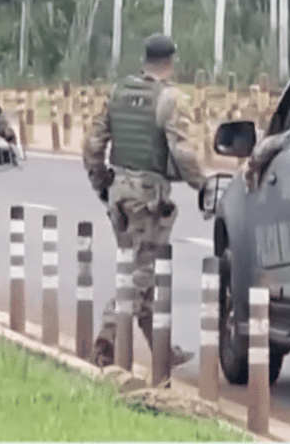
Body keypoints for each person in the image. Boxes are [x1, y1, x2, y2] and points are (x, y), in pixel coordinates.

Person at [82, 33, 206, 368]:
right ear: (171, 61)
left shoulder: (119, 93)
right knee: (141, 273)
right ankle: (107, 337)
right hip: (148, 197)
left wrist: (101, 183)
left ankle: (162, 349)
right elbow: (182, 150)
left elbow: (93, 144)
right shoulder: (169, 99)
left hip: (119, 194)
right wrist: (201, 185)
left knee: (140, 273)